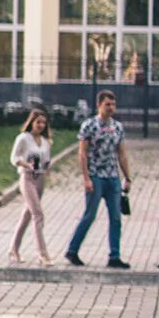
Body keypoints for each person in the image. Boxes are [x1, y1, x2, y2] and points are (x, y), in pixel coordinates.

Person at [64, 90, 133, 269]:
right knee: (89, 215)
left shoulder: (117, 127)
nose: (111, 108)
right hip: (96, 176)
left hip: (112, 177)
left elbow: (122, 153)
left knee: (116, 217)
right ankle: (72, 250)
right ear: (99, 105)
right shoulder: (89, 126)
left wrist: (127, 176)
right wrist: (86, 178)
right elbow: (82, 153)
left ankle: (114, 255)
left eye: (113, 104)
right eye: (107, 104)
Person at [9, 109, 54, 264]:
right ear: (31, 123)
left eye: (43, 123)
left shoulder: (46, 141)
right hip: (27, 177)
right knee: (38, 214)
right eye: (38, 122)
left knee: (28, 215)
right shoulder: (23, 138)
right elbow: (13, 157)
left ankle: (13, 249)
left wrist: (47, 166)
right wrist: (26, 164)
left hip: (40, 178)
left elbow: (47, 160)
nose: (41, 125)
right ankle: (42, 253)